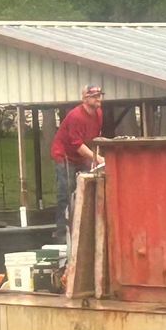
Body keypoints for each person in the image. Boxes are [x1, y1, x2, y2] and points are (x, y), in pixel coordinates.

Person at [52, 85, 105, 238]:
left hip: (81, 155)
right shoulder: (76, 116)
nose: (98, 99)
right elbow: (77, 145)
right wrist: (99, 159)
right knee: (66, 192)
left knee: (89, 187)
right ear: (85, 99)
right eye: (94, 96)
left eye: (100, 95)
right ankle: (62, 232)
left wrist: (95, 159)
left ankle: (84, 228)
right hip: (64, 155)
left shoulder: (99, 113)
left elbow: (94, 139)